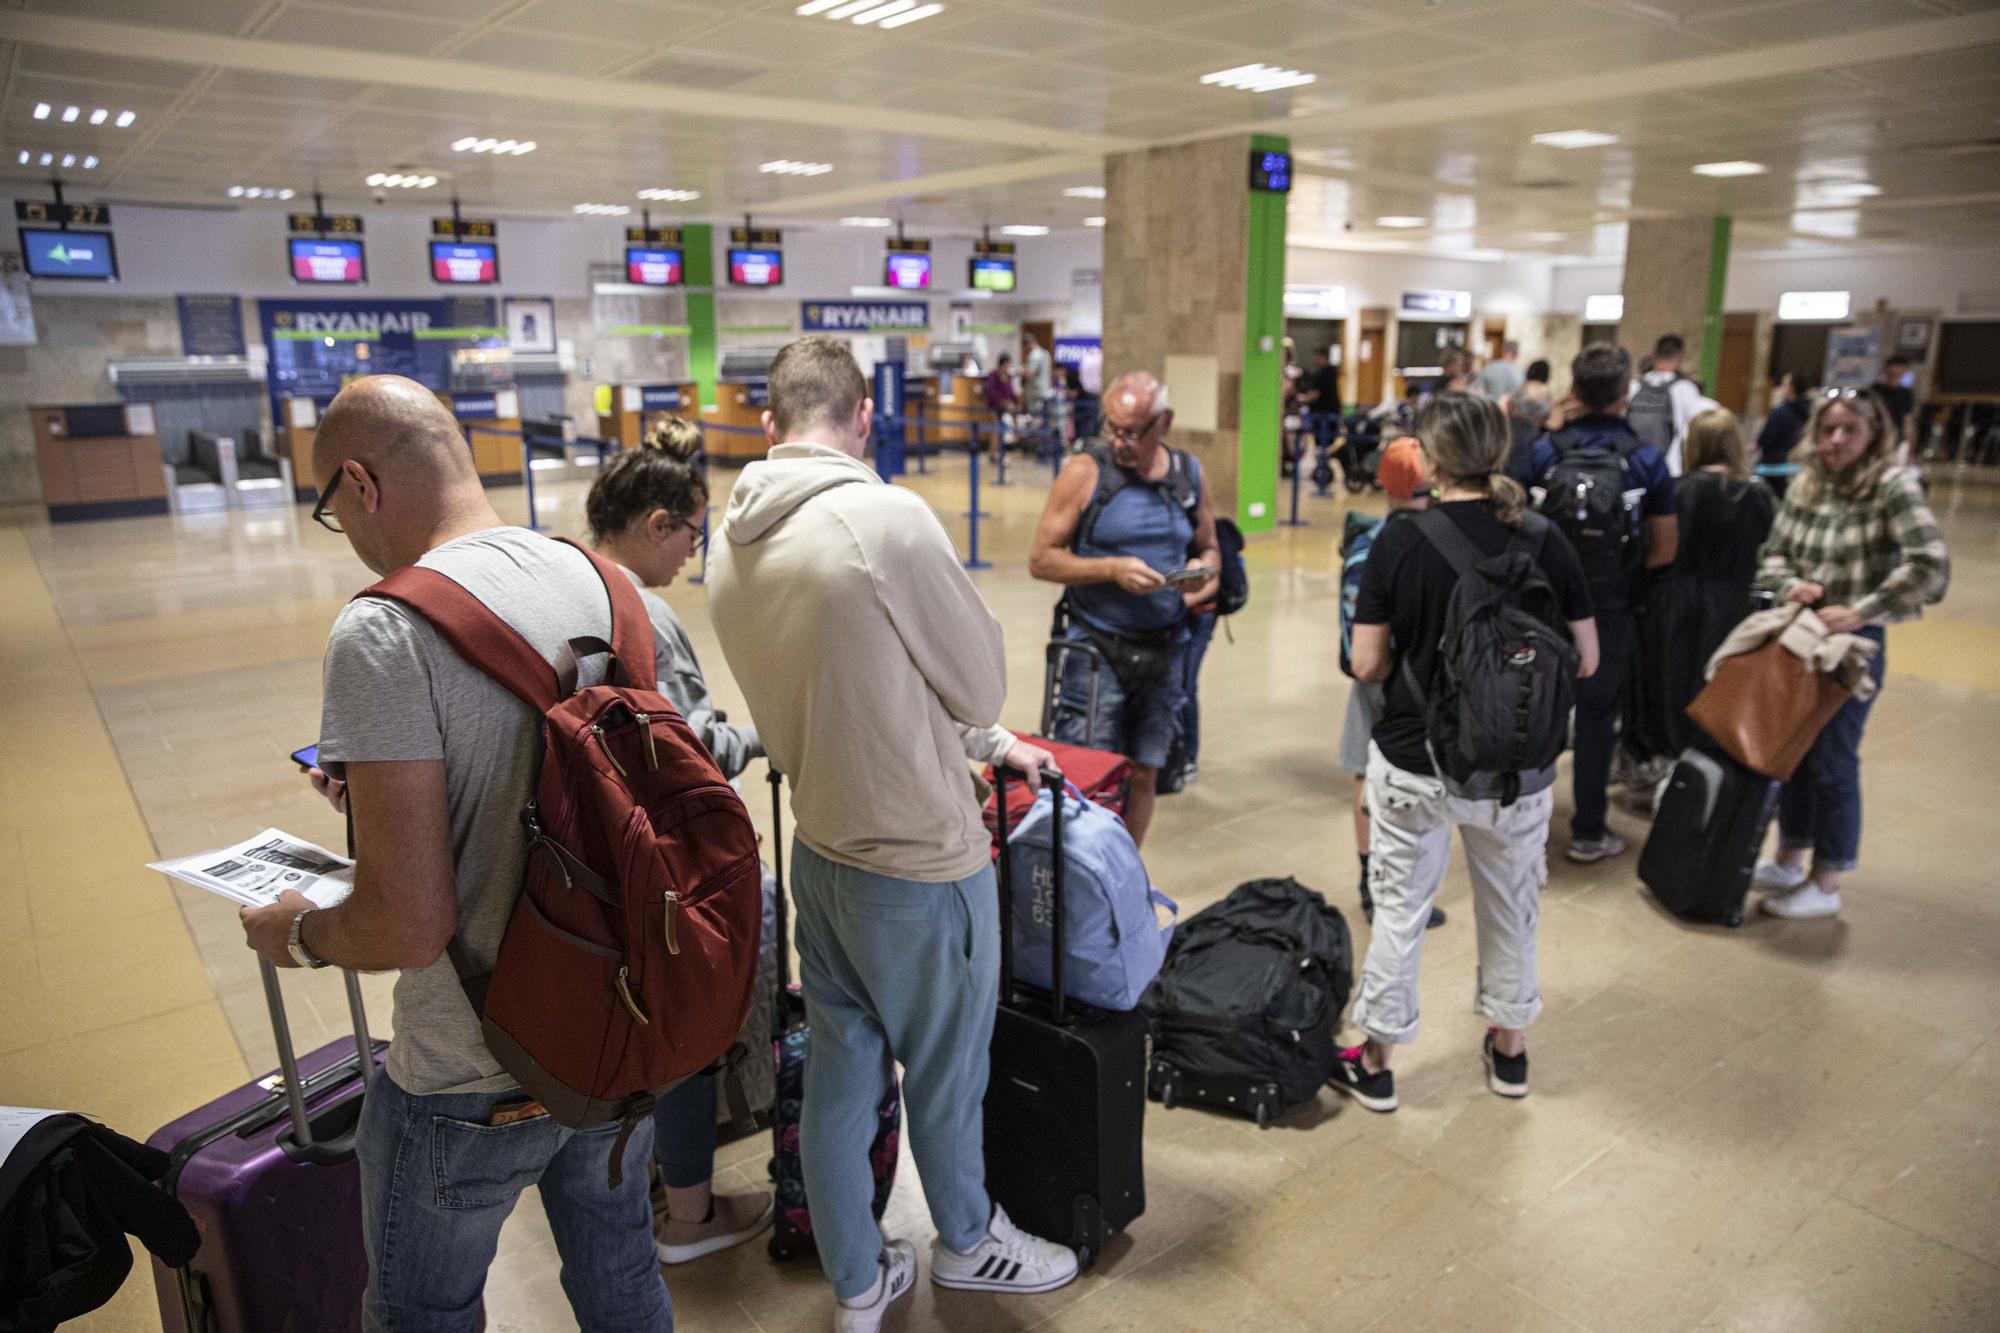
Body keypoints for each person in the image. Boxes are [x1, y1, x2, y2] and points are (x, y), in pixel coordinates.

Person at [240, 375, 676, 1332]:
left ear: (360, 482)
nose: (343, 532)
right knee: (622, 1280)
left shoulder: (385, 629)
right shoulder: (608, 584)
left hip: (469, 1074)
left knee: (419, 1314)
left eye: (330, 508)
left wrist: (299, 934)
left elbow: (409, 920)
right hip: (617, 1029)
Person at [704, 337, 1077, 1331]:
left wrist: (974, 739)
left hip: (820, 852)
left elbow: (859, 678)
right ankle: (966, 1240)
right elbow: (978, 678)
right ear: (864, 415)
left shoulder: (729, 536)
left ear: (771, 420)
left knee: (840, 1072)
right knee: (950, 1074)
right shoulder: (884, 517)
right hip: (918, 862)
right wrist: (983, 723)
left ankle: (859, 1283)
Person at [1333, 392, 1598, 1112]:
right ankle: (1509, 1052)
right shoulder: (1546, 537)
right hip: (1517, 767)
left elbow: (1365, 663)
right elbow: (1587, 658)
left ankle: (1379, 1061)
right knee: (1513, 907)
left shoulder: (1400, 540)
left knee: (1401, 908)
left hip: (1415, 759)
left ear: (1430, 456)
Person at [582, 419, 775, 1267]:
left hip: (588, 853)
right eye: (693, 533)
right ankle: (690, 1216)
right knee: (689, 1032)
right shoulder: (643, 610)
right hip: (662, 863)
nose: (694, 554)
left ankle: (648, 1173)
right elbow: (691, 748)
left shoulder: (565, 578)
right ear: (658, 522)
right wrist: (764, 734)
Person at [1750, 388, 1950, 920]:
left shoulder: (1892, 486)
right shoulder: (1807, 484)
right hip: (1801, 636)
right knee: (1793, 749)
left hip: (1854, 643)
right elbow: (1772, 555)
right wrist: (1792, 584)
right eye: (1828, 430)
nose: (1836, 441)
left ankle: (1828, 877)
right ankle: (1790, 857)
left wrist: (1862, 610)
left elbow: (1929, 565)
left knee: (1834, 759)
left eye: (1850, 431)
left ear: (1873, 434)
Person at [1028, 371, 1221, 849]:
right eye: (1111, 428)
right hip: (1096, 648)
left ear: (1165, 423)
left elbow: (1211, 549)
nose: (1120, 442)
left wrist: (1200, 574)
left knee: (1145, 772)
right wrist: (1111, 569)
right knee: (1087, 771)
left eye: (1132, 431)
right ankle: (1079, 876)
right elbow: (1041, 559)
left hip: (1164, 648)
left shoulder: (1188, 474)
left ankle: (1123, 873)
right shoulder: (1084, 472)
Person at [1510, 343, 1678, 864]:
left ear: (1576, 391)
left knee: (1534, 710)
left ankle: (1518, 825)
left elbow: (1513, 522)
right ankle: (1587, 830)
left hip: (1542, 605)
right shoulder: (1644, 460)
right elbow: (1664, 547)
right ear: (1625, 394)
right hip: (1609, 608)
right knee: (1598, 717)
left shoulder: (1544, 452)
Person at [1334, 435, 1445, 931]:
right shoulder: (1439, 540)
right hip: (1418, 679)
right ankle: (1393, 883)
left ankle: (1369, 878)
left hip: (1372, 677)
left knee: (1366, 772)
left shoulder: (1369, 541)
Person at [1645, 409, 1778, 759]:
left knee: (1672, 688)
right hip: (1732, 605)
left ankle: (1672, 762)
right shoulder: (1757, 496)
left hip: (1675, 601)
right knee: (1717, 686)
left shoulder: (1676, 491)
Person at [1628, 333, 1706, 473]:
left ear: (1654, 355)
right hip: (1669, 468)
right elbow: (1697, 429)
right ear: (1680, 357)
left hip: (1633, 467)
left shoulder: (1633, 386)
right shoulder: (1685, 389)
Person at [1758, 372, 1815, 486]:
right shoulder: (1812, 412)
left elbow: (1765, 440)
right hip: (1799, 467)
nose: (1781, 388)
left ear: (1792, 388)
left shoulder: (1780, 412)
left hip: (1772, 468)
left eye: (1784, 385)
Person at [1874, 355, 1916, 453]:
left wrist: (1910, 448)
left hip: (1896, 440)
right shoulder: (1874, 391)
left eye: (1899, 375)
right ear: (1885, 371)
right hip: (1875, 438)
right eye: (1892, 374)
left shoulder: (1906, 393)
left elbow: (1908, 421)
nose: (1895, 378)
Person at [983, 353, 1019, 456]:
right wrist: (1003, 402)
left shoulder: (1008, 376)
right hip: (994, 407)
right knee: (996, 429)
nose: (1009, 366)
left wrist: (1016, 402)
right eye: (1008, 364)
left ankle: (1004, 451)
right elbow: (992, 392)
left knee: (1007, 428)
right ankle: (993, 453)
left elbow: (1011, 392)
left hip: (1005, 408)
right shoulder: (993, 375)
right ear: (1003, 363)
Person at [1022, 332, 1054, 433]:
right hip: (1045, 390)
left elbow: (1031, 372)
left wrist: (1021, 370)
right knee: (1045, 418)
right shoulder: (1046, 353)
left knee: (1034, 418)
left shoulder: (1034, 355)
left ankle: (1035, 441)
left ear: (1028, 345)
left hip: (1035, 393)